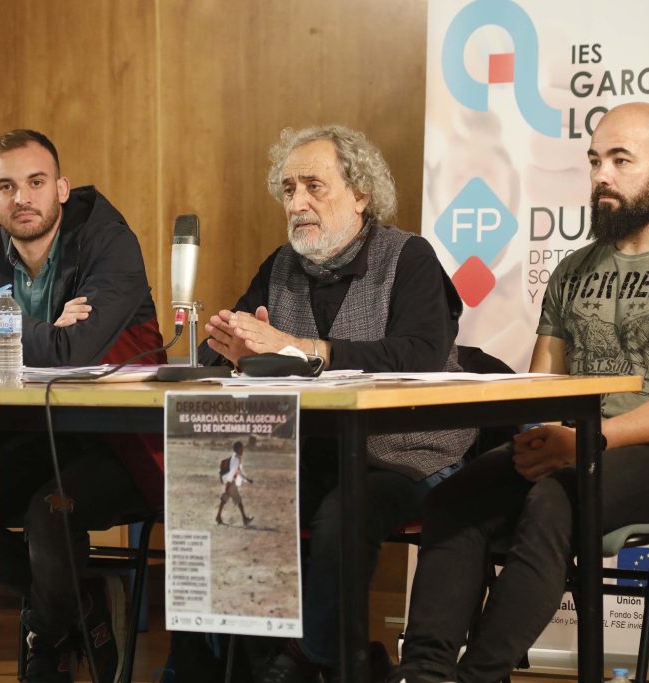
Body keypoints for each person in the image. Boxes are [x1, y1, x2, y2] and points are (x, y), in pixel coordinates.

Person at [392, 102, 649, 683]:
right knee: (454, 499)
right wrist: (538, 432)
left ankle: (478, 676)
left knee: (556, 498)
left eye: (620, 161)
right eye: (594, 161)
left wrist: (586, 442)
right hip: (578, 444)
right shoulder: (573, 271)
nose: (601, 176)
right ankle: (424, 673)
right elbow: (545, 385)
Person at [198, 125, 476, 683]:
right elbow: (223, 349)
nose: (296, 203)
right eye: (288, 190)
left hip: (408, 453)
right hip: (315, 451)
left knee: (341, 516)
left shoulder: (409, 257)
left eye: (313, 187)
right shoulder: (279, 267)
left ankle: (313, 658)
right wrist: (232, 351)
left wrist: (308, 350)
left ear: (360, 194)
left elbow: (420, 354)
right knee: (225, 494)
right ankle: (248, 660)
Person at [0, 129, 166, 683]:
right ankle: (80, 604)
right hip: (41, 434)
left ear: (61, 188)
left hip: (126, 442)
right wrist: (31, 333)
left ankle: (48, 638)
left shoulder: (109, 242)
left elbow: (72, 353)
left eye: (35, 182)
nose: (22, 198)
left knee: (49, 512)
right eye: (7, 187)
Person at [216, 441, 254, 526]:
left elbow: (238, 471)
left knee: (225, 498)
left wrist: (247, 479)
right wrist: (228, 484)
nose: (243, 450)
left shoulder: (236, 457)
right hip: (230, 481)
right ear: (238, 449)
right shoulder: (236, 459)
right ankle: (245, 519)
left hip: (228, 480)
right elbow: (233, 472)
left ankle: (218, 517)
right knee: (238, 500)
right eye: (241, 448)